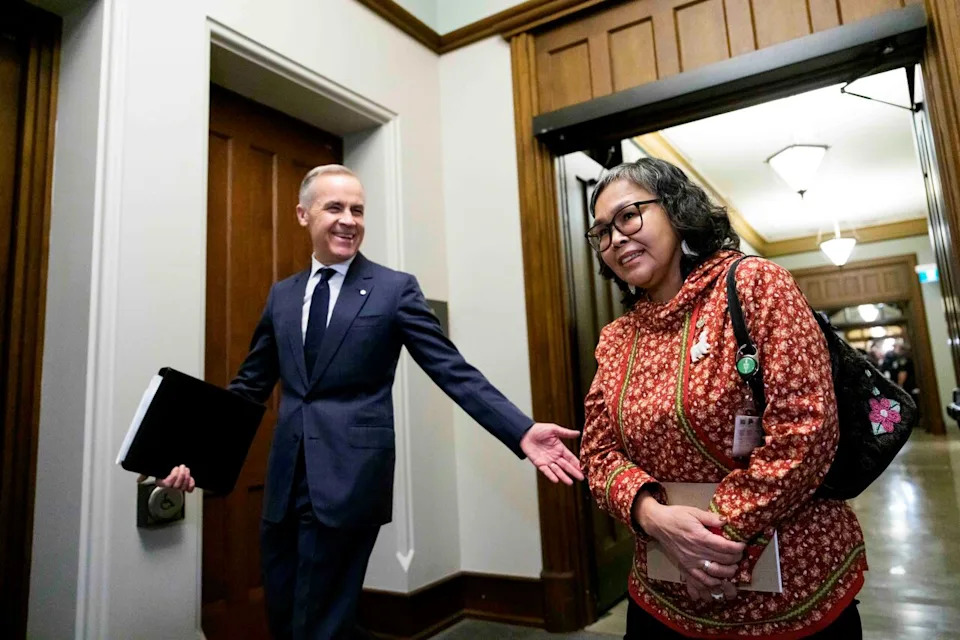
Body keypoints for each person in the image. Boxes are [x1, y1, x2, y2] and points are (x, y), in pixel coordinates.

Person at [159, 165, 583, 639]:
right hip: (284, 485)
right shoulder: (283, 295)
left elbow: (453, 370)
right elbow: (248, 388)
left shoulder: (393, 289)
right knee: (285, 615)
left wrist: (520, 430)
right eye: (334, 207)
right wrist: (194, 456)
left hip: (349, 480)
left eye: (357, 210)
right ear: (303, 215)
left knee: (319, 624)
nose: (348, 220)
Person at [579, 158, 866, 639]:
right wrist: (652, 516)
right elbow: (598, 453)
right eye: (601, 232)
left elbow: (806, 431)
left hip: (793, 587)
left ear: (675, 209)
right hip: (663, 594)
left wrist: (712, 547)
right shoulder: (616, 338)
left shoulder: (756, 284)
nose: (615, 238)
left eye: (628, 216)